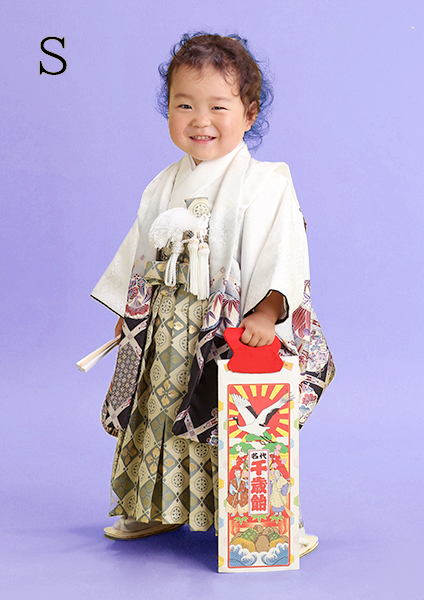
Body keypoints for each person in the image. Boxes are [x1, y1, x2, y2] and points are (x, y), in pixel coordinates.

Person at [91, 33, 334, 556]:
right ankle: (157, 507)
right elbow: (139, 252)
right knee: (157, 416)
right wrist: (130, 311)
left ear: (249, 113)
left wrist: (267, 312)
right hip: (165, 328)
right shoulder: (162, 185)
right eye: (184, 105)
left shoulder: (265, 182)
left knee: (236, 423)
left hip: (227, 328)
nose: (200, 120)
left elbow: (282, 251)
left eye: (218, 107)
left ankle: (265, 522)